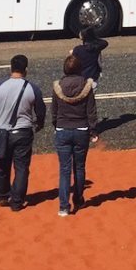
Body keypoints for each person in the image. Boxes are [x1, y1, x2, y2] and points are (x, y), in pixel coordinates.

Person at [0, 54, 46, 212]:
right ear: (26, 70)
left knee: (2, 166)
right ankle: (17, 201)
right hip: (23, 133)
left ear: (11, 68)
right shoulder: (32, 88)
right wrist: (39, 124)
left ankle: (3, 196)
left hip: (2, 133)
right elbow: (41, 110)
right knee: (22, 167)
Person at [52, 53, 100, 216]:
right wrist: (94, 130)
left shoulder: (58, 86)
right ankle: (78, 199)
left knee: (64, 170)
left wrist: (56, 126)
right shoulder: (86, 86)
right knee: (79, 167)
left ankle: (64, 207)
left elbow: (54, 111)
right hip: (81, 130)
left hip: (63, 130)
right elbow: (91, 111)